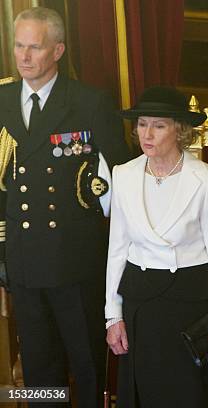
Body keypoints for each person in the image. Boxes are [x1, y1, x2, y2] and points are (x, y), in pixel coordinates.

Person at [0, 7, 129, 407]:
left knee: (86, 361)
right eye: (19, 46)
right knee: (39, 366)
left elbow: (120, 184)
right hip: (22, 260)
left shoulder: (89, 103)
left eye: (34, 47)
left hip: (75, 262)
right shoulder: (1, 98)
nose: (24, 56)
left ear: (57, 50)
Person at [105, 86, 208, 407]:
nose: (147, 134)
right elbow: (117, 249)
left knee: (189, 396)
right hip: (141, 304)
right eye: (142, 124)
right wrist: (112, 315)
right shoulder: (124, 175)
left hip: (190, 305)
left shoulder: (207, 178)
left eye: (158, 126)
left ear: (180, 130)